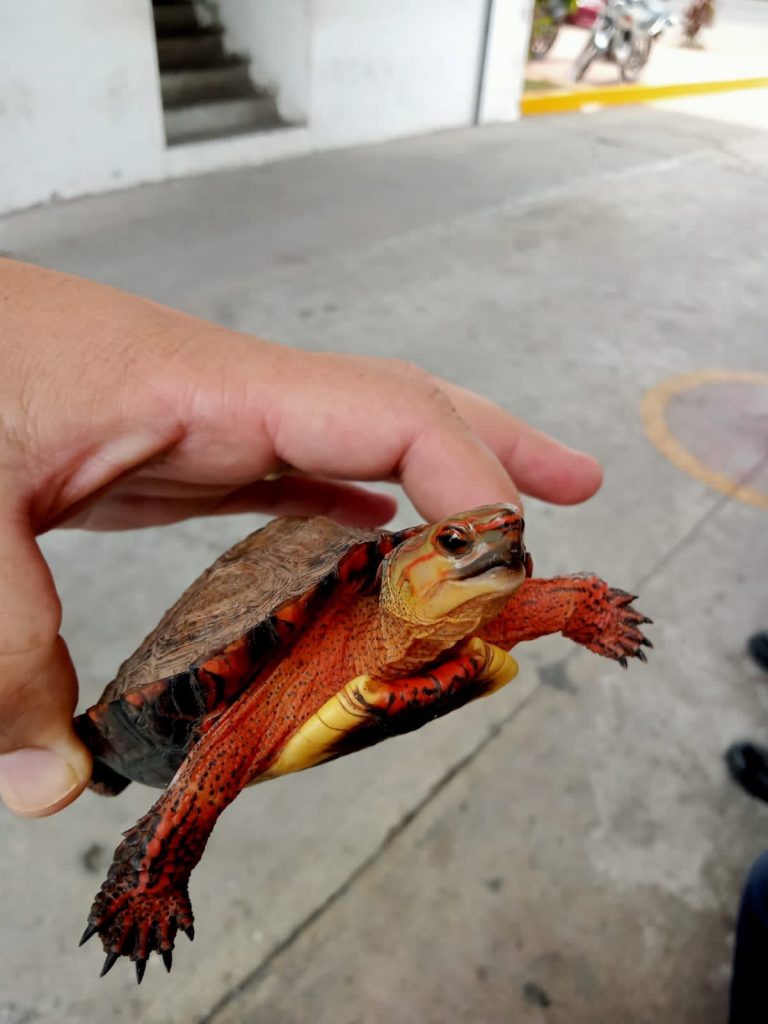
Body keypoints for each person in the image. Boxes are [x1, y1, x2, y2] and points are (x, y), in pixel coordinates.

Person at [0, 257, 603, 820]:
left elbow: (571, 601)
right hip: (212, 717)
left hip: (338, 675)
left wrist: (593, 611)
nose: (495, 546)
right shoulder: (325, 634)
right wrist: (151, 879)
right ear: (408, 565)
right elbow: (219, 757)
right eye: (455, 543)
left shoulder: (479, 610)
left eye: (506, 536)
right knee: (204, 772)